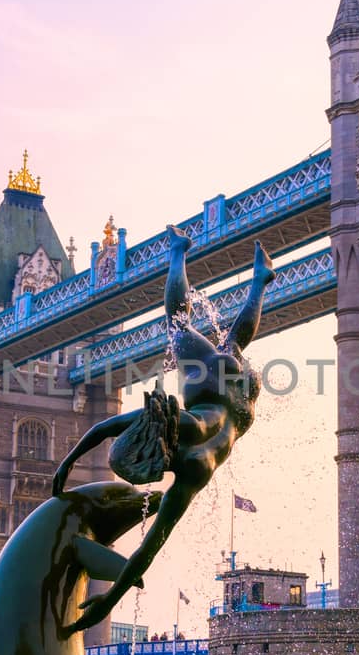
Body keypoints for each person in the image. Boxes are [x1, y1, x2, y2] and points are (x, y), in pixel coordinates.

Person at [53, 225, 274, 632]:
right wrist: (66, 464)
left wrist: (111, 599)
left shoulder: (192, 473)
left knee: (232, 345)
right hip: (214, 388)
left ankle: (257, 280)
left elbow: (147, 550)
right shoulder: (178, 425)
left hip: (243, 405)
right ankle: (180, 253)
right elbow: (106, 425)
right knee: (180, 325)